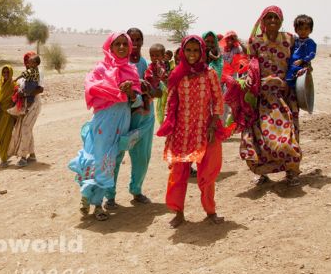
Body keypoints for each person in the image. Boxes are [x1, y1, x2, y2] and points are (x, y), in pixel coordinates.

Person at [69, 32, 142, 220]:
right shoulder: (100, 69)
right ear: (109, 47)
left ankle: (88, 196)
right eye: (117, 44)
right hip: (104, 121)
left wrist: (130, 94)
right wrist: (116, 91)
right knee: (100, 160)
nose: (121, 47)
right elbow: (92, 89)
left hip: (122, 121)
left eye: (125, 44)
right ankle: (97, 205)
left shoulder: (131, 70)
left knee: (110, 161)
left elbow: (137, 100)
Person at [157, 36, 228, 228]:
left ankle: (210, 211)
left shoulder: (210, 73)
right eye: (188, 50)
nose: (192, 54)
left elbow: (218, 101)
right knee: (178, 173)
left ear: (202, 52)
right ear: (182, 51)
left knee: (208, 173)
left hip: (206, 130)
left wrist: (214, 123)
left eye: (196, 50)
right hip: (182, 131)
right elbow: (170, 103)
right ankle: (178, 212)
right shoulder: (177, 74)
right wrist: (169, 126)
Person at [236, 5, 302, 186]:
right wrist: (252, 79)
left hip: (285, 96)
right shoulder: (255, 42)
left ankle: (292, 172)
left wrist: (283, 82)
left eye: (276, 17)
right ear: (262, 20)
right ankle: (262, 172)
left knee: (287, 134)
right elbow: (249, 65)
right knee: (260, 136)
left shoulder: (290, 39)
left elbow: (298, 64)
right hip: (261, 98)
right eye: (268, 17)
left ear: (281, 20)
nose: (272, 21)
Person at [105, 28, 157, 209]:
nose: (134, 44)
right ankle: (109, 195)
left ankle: (136, 190)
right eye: (130, 40)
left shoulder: (147, 64)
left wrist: (148, 88)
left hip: (144, 118)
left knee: (142, 157)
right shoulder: (117, 65)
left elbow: (157, 89)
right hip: (124, 117)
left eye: (138, 40)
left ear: (143, 42)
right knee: (116, 156)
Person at [7, 52, 44, 167]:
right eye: (27, 61)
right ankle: (32, 154)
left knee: (25, 128)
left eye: (30, 61)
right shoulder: (25, 74)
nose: (28, 63)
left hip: (33, 103)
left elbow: (40, 89)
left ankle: (23, 157)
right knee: (27, 128)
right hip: (24, 103)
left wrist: (26, 94)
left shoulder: (38, 72)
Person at [0, 65, 17, 168]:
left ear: (11, 73)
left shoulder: (14, 85)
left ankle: (3, 159)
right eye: (4, 72)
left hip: (9, 114)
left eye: (7, 72)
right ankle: (5, 156)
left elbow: (16, 101)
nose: (5, 74)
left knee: (6, 136)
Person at [286, 14, 317, 87]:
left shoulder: (310, 42)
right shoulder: (295, 40)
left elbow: (312, 54)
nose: (303, 31)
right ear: (296, 30)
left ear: (311, 30)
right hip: (292, 65)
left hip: (302, 65)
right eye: (300, 29)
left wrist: (302, 60)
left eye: (306, 29)